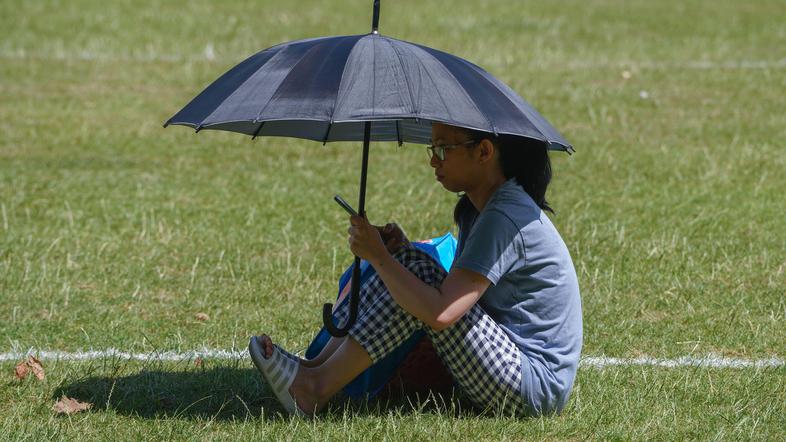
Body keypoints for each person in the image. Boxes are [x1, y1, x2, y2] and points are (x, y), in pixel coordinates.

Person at [249, 122, 583, 417]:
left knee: (412, 271)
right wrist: (399, 254)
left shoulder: (503, 216)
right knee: (409, 264)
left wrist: (381, 257)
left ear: (483, 151)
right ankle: (314, 368)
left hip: (534, 388)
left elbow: (442, 312)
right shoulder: (479, 209)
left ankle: (314, 389)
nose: (433, 160)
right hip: (509, 366)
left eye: (443, 149)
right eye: (432, 148)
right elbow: (454, 291)